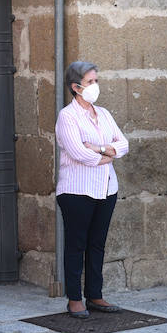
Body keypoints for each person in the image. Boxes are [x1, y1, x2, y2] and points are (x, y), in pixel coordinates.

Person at [55, 61, 129, 318]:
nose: (95, 86)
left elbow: (123, 144)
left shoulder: (104, 114)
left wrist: (99, 149)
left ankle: (95, 294)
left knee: (97, 243)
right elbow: (77, 152)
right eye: (90, 82)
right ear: (76, 87)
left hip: (107, 188)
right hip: (77, 190)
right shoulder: (68, 116)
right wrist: (105, 152)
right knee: (76, 244)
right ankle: (75, 298)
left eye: (96, 81)